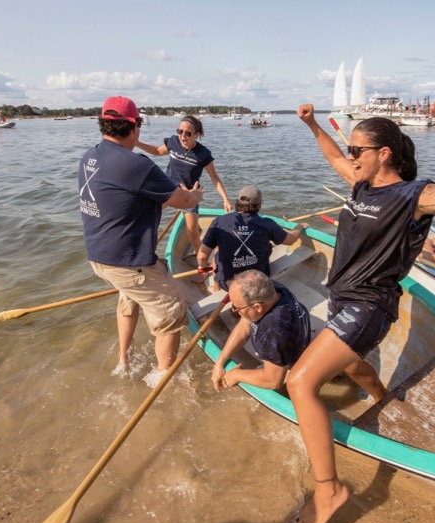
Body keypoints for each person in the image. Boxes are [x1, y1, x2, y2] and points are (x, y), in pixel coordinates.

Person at [287, 94, 435, 523]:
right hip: (344, 298)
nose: (350, 157)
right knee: (354, 364)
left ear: (384, 154)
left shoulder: (411, 197)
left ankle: (329, 489)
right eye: (352, 150)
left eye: (358, 150)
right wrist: (313, 125)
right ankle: (383, 399)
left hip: (369, 305)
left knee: (300, 382)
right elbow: (334, 157)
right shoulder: (361, 182)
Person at [78, 96, 204, 380]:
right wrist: (195, 196)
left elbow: (122, 200)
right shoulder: (136, 165)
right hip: (128, 263)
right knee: (172, 307)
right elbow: (183, 200)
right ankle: (162, 377)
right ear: (135, 126)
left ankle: (123, 360)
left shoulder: (90, 156)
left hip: (100, 258)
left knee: (129, 299)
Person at [135, 115, 233, 279]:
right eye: (180, 131)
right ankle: (142, 256)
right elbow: (157, 151)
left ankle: (204, 269)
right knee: (146, 217)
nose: (183, 136)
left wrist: (225, 199)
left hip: (188, 197)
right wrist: (136, 143)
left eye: (188, 133)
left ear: (197, 134)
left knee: (193, 236)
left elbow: (215, 179)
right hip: (167, 192)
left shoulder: (203, 154)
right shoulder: (173, 142)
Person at [211, 270, 311, 391]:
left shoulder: (273, 330)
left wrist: (236, 375)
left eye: (237, 308)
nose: (235, 311)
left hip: (290, 360)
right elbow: (244, 326)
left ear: (257, 307)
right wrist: (220, 362)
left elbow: (274, 381)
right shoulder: (270, 289)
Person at [196, 185, 307, 291]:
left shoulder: (219, 221)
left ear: (238, 202)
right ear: (259, 205)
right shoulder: (267, 223)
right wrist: (300, 227)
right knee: (267, 245)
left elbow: (202, 256)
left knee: (218, 249)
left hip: (227, 284)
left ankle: (216, 288)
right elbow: (290, 240)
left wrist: (203, 266)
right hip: (258, 281)